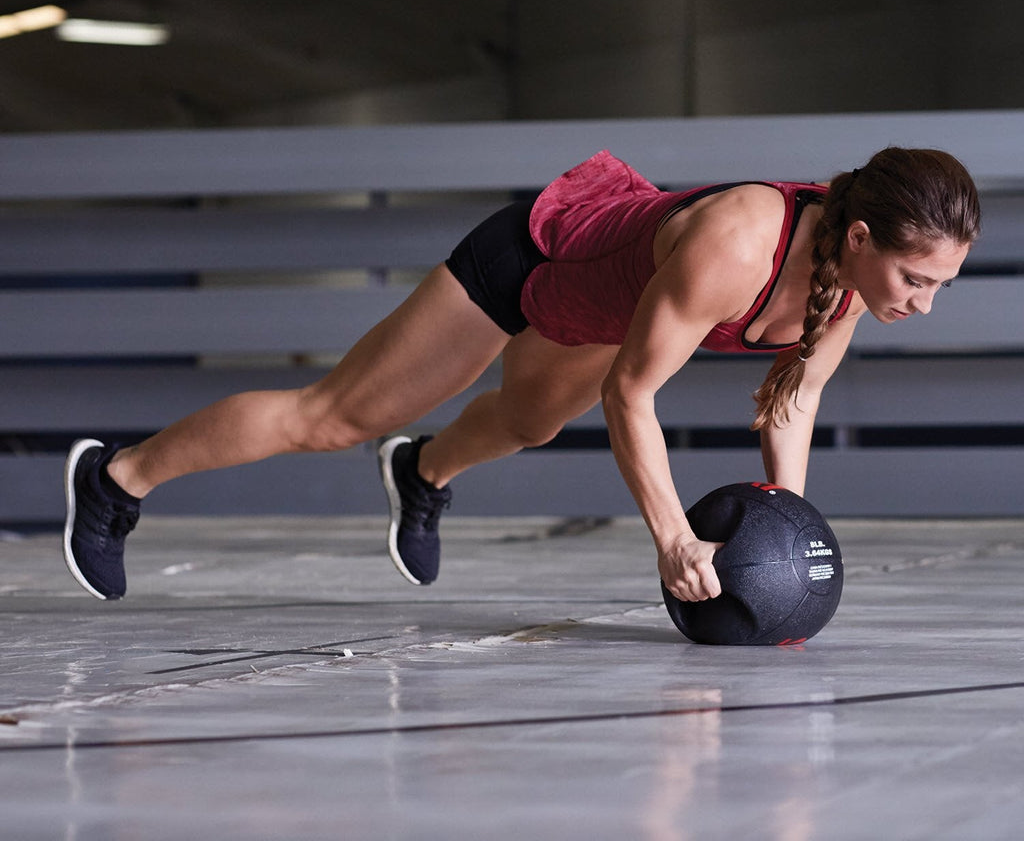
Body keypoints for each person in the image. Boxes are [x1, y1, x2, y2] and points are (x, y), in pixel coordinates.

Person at [62, 146, 981, 604]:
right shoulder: (738, 245)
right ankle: (115, 478)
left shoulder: (847, 286)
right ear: (862, 237)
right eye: (917, 279)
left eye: (942, 284)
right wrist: (672, 541)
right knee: (335, 416)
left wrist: (785, 533)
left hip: (603, 313)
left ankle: (421, 471)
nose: (925, 303)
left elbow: (797, 398)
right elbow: (631, 394)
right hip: (533, 263)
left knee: (527, 423)